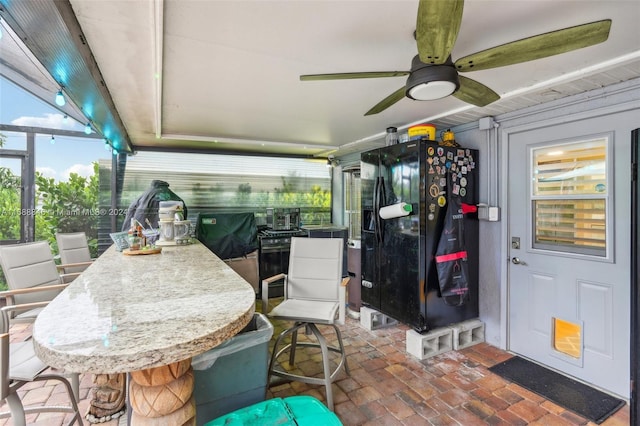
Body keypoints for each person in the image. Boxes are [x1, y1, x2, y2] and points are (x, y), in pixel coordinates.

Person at [121, 180, 187, 231]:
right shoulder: (178, 200)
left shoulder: (141, 199)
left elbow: (129, 220)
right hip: (172, 238)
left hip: (143, 240)